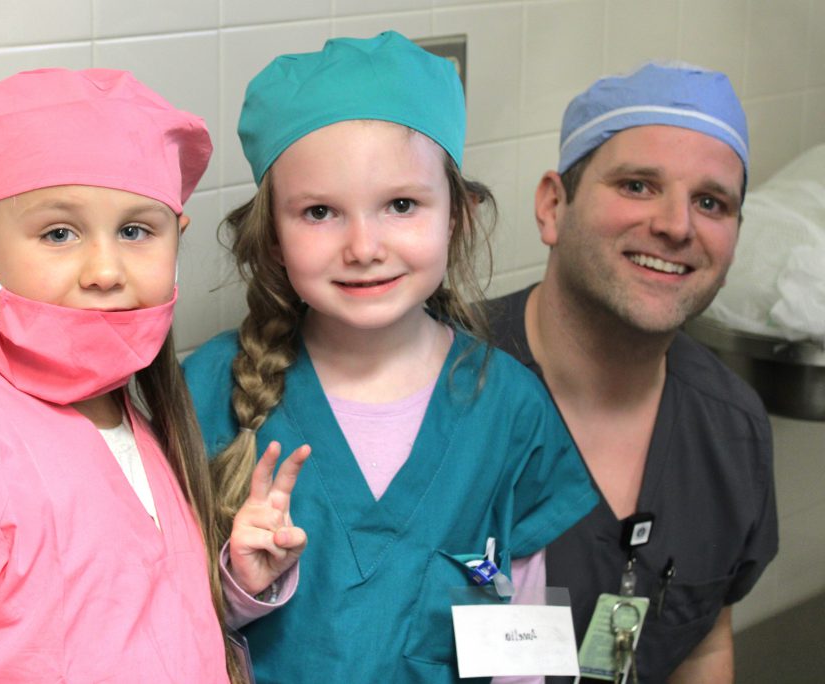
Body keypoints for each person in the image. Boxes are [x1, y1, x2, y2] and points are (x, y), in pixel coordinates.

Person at [0, 68, 308, 683]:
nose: (105, 270)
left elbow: (116, 634)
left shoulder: (135, 423)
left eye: (135, 231)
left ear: (175, 241)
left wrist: (233, 587)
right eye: (58, 233)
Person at [184, 32, 598, 683]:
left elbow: (521, 629)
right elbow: (156, 623)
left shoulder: (507, 408)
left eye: (401, 205)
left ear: (456, 216)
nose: (363, 246)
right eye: (320, 212)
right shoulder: (209, 390)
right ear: (272, 237)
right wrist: (240, 584)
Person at [486, 62, 779, 683]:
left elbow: (700, 641)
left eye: (710, 202)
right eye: (639, 186)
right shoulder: (437, 390)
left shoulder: (730, 431)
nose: (677, 226)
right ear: (553, 206)